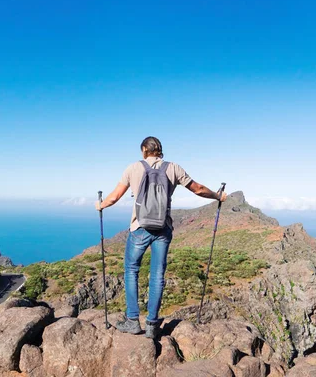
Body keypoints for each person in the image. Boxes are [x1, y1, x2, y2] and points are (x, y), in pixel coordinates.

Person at [95, 136, 227, 339]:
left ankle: (132, 321)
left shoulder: (133, 168)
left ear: (143, 150)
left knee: (131, 270)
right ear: (160, 151)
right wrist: (218, 196)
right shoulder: (173, 168)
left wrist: (101, 205)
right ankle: (152, 325)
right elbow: (198, 189)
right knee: (157, 275)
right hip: (162, 228)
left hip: (139, 227)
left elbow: (114, 197)